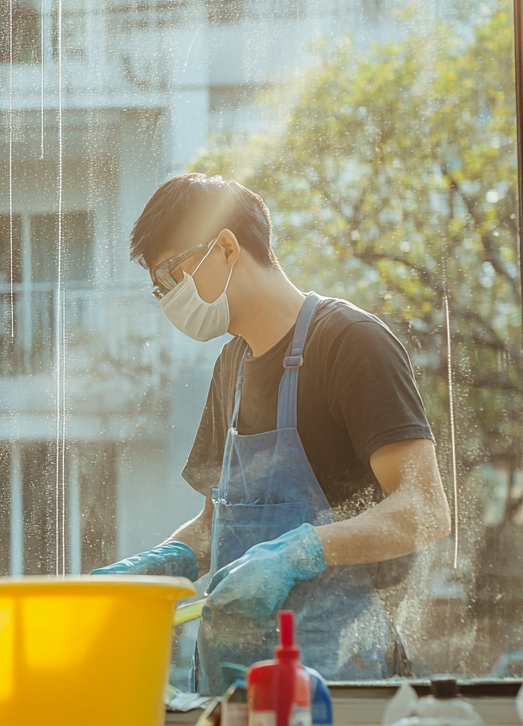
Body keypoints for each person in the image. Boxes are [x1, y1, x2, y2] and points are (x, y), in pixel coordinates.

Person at [93, 174, 450, 694]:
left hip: (336, 690)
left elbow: (425, 509)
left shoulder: (352, 343)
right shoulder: (232, 366)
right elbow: (220, 521)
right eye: (159, 288)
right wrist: (159, 566)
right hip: (231, 689)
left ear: (226, 247)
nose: (167, 298)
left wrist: (298, 554)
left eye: (171, 274)